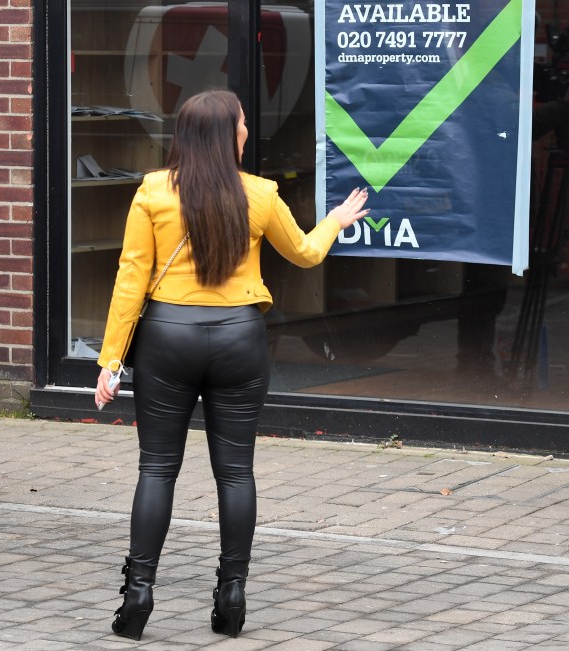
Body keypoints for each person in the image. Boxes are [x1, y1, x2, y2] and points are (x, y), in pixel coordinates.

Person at [94, 89, 369, 640]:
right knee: (236, 472)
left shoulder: (152, 193)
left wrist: (110, 361)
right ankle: (232, 593)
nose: (247, 130)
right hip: (239, 338)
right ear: (228, 136)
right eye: (243, 123)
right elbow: (306, 254)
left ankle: (139, 593)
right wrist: (336, 220)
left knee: (156, 469)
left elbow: (130, 280)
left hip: (167, 338)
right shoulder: (261, 196)